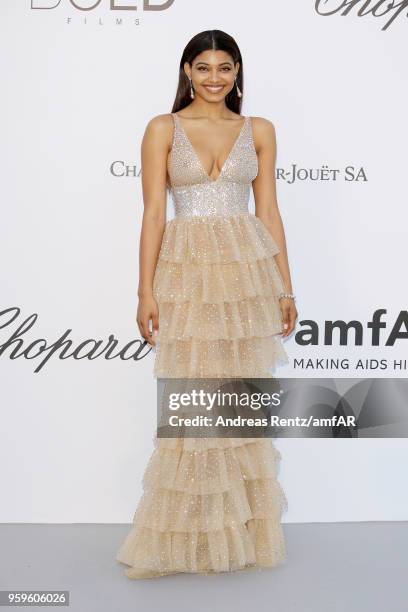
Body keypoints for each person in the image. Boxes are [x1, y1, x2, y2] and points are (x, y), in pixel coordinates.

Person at [116, 29, 298, 579]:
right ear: (187, 72)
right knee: (194, 398)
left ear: (237, 72)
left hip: (245, 276)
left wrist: (285, 287)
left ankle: (235, 534)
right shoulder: (161, 129)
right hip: (187, 272)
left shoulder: (259, 130)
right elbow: (153, 214)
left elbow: (268, 211)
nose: (214, 78)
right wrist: (145, 289)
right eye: (203, 68)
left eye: (225, 68)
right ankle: (189, 538)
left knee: (237, 400)